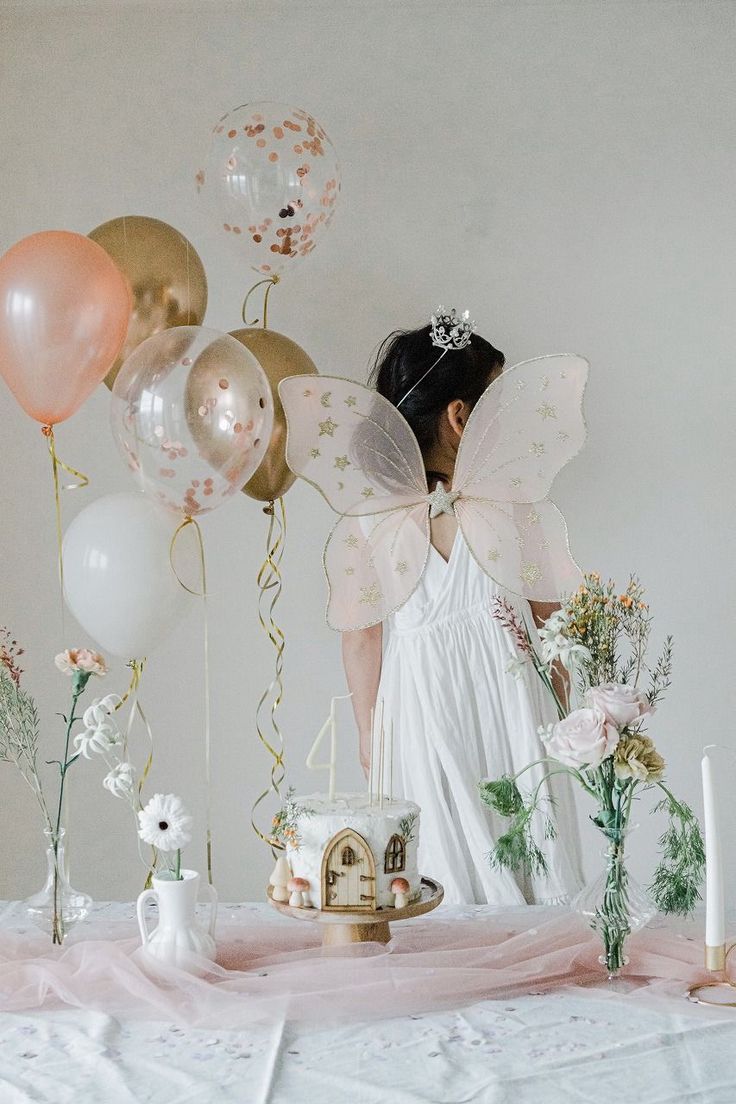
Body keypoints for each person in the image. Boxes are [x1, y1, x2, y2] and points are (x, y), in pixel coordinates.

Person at [342, 322, 584, 906]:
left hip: (419, 703)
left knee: (442, 847)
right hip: (509, 700)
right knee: (525, 837)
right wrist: (560, 707)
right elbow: (553, 620)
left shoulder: (373, 519)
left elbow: (361, 640)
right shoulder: (513, 502)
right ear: (461, 416)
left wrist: (371, 736)